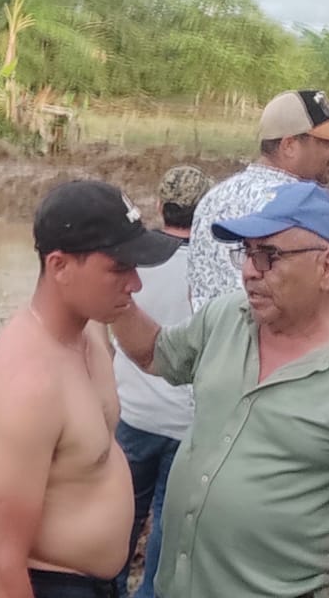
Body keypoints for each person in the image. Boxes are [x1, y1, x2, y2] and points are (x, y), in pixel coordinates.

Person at [111, 181, 329, 598]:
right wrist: (115, 293)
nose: (249, 270)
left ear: (327, 267)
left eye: (268, 256)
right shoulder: (227, 318)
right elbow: (155, 353)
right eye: (246, 252)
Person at [0, 179, 180, 598]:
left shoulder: (89, 332)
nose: (136, 283)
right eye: (119, 268)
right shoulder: (26, 383)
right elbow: (0, 564)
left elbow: (154, 350)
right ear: (59, 266)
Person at [109, 165, 214, 598]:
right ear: (204, 211)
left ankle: (109, 586)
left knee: (122, 513)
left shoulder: (135, 264)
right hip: (187, 423)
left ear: (158, 206)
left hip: (134, 413)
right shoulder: (212, 269)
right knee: (168, 524)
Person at [187, 89, 329, 311]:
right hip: (270, 331)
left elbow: (193, 290)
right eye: (326, 142)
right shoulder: (304, 208)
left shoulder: (212, 198)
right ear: (289, 145)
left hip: (207, 332)